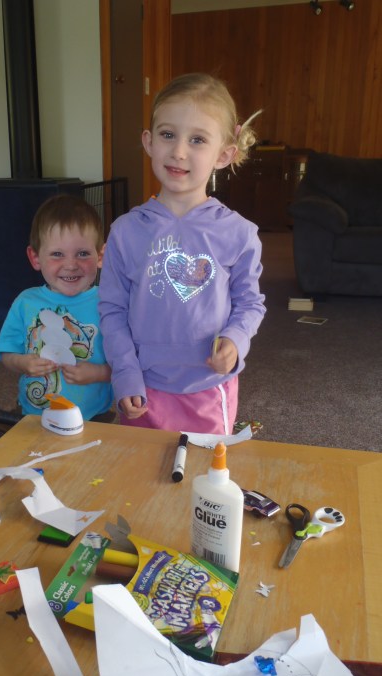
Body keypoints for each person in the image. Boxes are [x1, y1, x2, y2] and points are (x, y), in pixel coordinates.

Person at [98, 73, 266, 433]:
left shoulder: (239, 233)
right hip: (142, 389)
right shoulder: (125, 232)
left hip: (207, 390)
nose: (178, 151)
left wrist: (236, 341)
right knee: (138, 478)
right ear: (148, 141)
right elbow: (112, 311)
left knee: (202, 480)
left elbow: (250, 304)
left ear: (224, 154)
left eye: (197, 140)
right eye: (168, 134)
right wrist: (125, 374)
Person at [0, 194, 114, 420]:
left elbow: (129, 366)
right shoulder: (25, 302)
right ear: (36, 258)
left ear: (100, 256)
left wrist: (98, 373)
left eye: (83, 253)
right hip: (32, 415)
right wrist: (23, 363)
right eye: (57, 254)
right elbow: (6, 352)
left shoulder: (109, 304)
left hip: (93, 418)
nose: (70, 265)